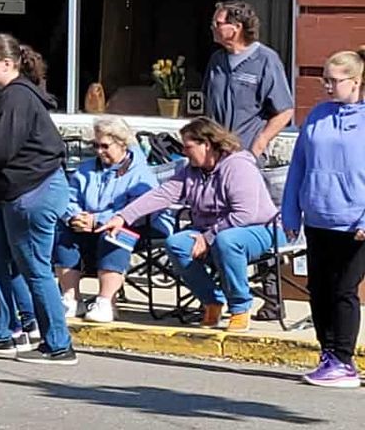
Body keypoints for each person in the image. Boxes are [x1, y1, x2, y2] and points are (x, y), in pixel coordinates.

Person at [0, 33, 76, 364]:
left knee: (35, 269)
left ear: (7, 64)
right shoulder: (12, 96)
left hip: (33, 192)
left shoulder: (16, 98)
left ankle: (58, 344)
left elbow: (1, 154)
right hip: (14, 194)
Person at [105, 116, 279, 330]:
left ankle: (240, 308)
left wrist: (207, 238)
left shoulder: (238, 166)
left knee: (227, 241)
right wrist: (123, 217)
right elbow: (163, 194)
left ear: (207, 144)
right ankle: (212, 301)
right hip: (210, 230)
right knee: (176, 244)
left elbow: (245, 213)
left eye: (188, 146)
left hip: (259, 228)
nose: (184, 152)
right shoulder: (190, 170)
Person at [280, 50, 365, 387]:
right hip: (318, 217)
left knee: (344, 290)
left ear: (356, 81)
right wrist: (291, 211)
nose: (328, 86)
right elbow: (298, 165)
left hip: (354, 223)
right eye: (324, 79)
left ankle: (344, 360)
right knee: (319, 289)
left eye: (335, 80)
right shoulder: (317, 115)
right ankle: (327, 353)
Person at [57, 116, 160, 323]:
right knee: (62, 231)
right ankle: (71, 298)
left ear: (122, 144)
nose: (98, 151)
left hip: (133, 227)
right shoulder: (85, 169)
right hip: (87, 224)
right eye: (95, 145)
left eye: (104, 146)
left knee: (114, 234)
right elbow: (69, 196)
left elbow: (140, 210)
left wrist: (99, 220)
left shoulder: (141, 173)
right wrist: (74, 216)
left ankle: (106, 301)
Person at [204, 0, 294, 159]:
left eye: (218, 23)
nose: (213, 27)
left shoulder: (266, 60)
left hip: (246, 155)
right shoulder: (216, 60)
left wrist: (260, 143)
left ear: (237, 28)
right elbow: (208, 105)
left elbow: (285, 111)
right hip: (215, 156)